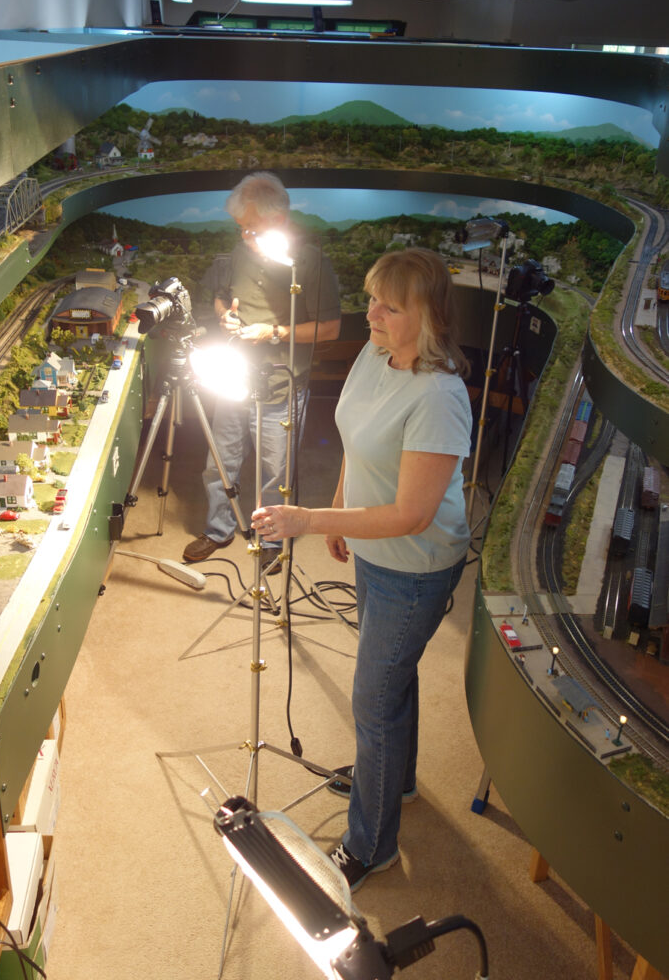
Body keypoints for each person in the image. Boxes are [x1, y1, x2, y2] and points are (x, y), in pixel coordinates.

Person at [251, 247, 472, 891]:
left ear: (426, 316)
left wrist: (314, 519)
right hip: (374, 550)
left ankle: (370, 845)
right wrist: (345, 506)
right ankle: (393, 782)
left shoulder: (438, 396)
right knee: (390, 679)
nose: (369, 311)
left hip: (417, 566)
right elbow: (353, 436)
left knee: (373, 698)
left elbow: (410, 514)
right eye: (371, 297)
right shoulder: (374, 353)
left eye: (388, 305)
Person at [183, 172, 341, 571]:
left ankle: (272, 539)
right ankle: (219, 529)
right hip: (235, 378)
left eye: (251, 227)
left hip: (281, 384)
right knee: (221, 460)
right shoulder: (240, 253)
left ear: (278, 219)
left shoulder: (309, 262)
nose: (245, 236)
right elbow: (222, 298)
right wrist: (227, 317)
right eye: (240, 228)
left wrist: (273, 331)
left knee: (276, 470)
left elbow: (331, 328)